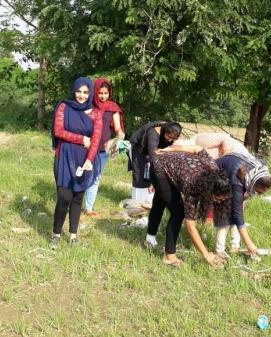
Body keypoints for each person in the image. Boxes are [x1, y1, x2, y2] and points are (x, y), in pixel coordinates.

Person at [148, 149, 231, 267]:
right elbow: (190, 226)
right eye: (217, 198)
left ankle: (149, 239)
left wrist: (171, 149)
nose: (219, 201)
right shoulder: (193, 186)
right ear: (208, 191)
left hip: (170, 164)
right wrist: (206, 255)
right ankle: (169, 256)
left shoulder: (214, 170)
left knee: (161, 200)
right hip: (159, 168)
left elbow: (197, 148)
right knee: (178, 212)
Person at [50, 77, 102, 248]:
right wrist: (81, 139)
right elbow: (58, 131)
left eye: (86, 92)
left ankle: (73, 236)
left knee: (78, 197)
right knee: (64, 196)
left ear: (90, 94)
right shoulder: (64, 107)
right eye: (79, 91)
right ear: (74, 91)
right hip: (64, 155)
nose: (81, 95)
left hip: (84, 158)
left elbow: (95, 140)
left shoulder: (96, 113)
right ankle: (56, 234)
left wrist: (89, 160)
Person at [213, 153, 271, 259]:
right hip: (220, 176)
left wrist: (242, 200)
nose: (257, 195)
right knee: (224, 214)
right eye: (257, 191)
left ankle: (234, 246)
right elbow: (237, 214)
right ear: (253, 183)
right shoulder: (237, 180)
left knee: (238, 211)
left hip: (236, 174)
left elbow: (239, 209)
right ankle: (219, 251)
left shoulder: (260, 169)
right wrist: (249, 243)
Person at [83, 78, 125, 217]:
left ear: (109, 93)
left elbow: (118, 128)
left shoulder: (113, 108)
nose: (103, 96)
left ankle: (88, 208)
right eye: (100, 93)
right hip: (86, 146)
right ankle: (74, 203)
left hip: (102, 150)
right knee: (82, 174)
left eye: (105, 93)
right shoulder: (89, 105)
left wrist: (119, 136)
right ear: (95, 92)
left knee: (95, 178)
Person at [128, 121, 182, 202]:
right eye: (169, 137)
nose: (170, 140)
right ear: (165, 131)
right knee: (139, 176)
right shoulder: (153, 134)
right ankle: (136, 202)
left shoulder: (168, 130)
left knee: (149, 177)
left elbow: (165, 153)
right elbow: (154, 158)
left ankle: (147, 201)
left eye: (174, 138)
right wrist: (156, 179)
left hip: (152, 152)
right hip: (138, 150)